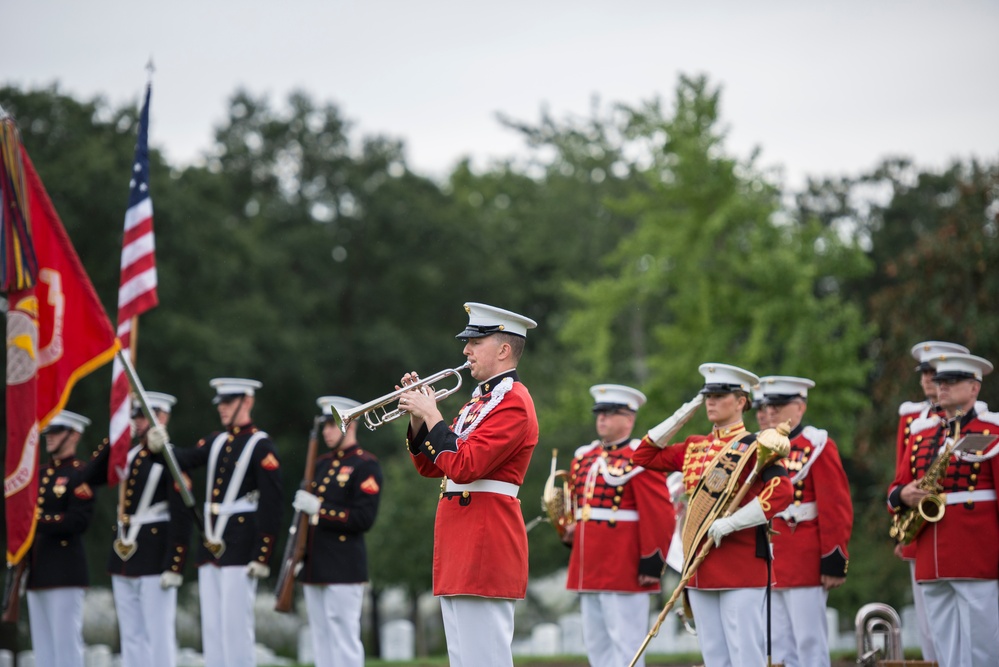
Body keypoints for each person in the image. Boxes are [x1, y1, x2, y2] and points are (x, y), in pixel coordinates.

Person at [397, 302, 539, 667]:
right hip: (460, 541)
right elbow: (434, 467)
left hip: (485, 541)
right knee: (464, 660)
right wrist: (418, 421)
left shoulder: (514, 403)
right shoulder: (480, 402)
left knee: (485, 659)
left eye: (476, 342)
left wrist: (432, 414)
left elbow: (465, 464)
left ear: (504, 350)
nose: (466, 351)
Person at [631, 363, 793, 667]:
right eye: (707, 395)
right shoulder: (695, 446)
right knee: (715, 658)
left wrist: (733, 522)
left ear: (741, 401)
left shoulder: (757, 445)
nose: (711, 402)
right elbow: (643, 455)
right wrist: (686, 410)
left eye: (719, 395)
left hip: (740, 566)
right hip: (700, 567)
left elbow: (782, 492)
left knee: (746, 656)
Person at [151, 377, 283, 667]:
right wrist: (160, 447)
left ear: (247, 402)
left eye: (229, 402)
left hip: (241, 543)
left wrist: (263, 554)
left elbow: (272, 505)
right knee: (212, 627)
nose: (222, 408)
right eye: (220, 403)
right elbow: (183, 460)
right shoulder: (216, 441)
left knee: (235, 627)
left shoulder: (261, 445)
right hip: (211, 542)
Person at [888, 352, 999, 667]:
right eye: (940, 381)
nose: (942, 387)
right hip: (930, 557)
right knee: (943, 648)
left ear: (974, 387)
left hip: (977, 555)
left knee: (983, 649)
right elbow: (896, 487)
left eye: (952, 381)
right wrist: (902, 495)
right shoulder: (922, 434)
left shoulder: (992, 429)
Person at [562, 384, 675, 667]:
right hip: (589, 564)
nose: (602, 418)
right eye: (599, 412)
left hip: (623, 565)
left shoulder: (641, 458)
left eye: (611, 413)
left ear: (630, 418)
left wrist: (652, 562)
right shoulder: (584, 457)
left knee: (627, 645)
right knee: (596, 644)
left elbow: (659, 514)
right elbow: (580, 506)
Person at [77, 392, 192, 667]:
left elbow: (181, 515)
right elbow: (89, 476)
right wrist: (114, 439)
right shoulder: (127, 456)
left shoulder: (172, 459)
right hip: (124, 551)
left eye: (144, 416)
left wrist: (175, 564)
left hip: (156, 553)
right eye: (135, 416)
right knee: (131, 634)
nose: (138, 422)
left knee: (158, 632)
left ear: (162, 417)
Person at [758, 376, 853, 667]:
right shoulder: (761, 447)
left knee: (808, 642)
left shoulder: (816, 444)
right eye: (767, 405)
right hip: (768, 556)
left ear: (800, 407)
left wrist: (834, 557)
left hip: (804, 556)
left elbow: (835, 506)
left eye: (779, 404)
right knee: (775, 644)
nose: (771, 411)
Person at [887, 340, 968, 663]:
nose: (928, 380)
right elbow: (901, 473)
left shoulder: (977, 420)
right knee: (929, 624)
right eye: (925, 373)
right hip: (921, 527)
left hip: (963, 529)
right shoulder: (913, 419)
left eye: (935, 374)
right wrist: (901, 524)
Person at [292, 396, 383, 667]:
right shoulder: (320, 464)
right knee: (321, 639)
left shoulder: (365, 465)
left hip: (343, 566)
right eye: (325, 426)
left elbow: (363, 518)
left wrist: (319, 509)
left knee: (344, 639)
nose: (327, 431)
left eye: (332, 424)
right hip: (314, 564)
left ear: (350, 423)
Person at [27, 410, 97, 667]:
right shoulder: (39, 472)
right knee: (43, 649)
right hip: (37, 569)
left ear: (74, 435)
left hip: (64, 570)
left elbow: (78, 521)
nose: (50, 437)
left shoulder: (81, 473)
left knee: (66, 646)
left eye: (57, 432)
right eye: (49, 432)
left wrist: (36, 521)